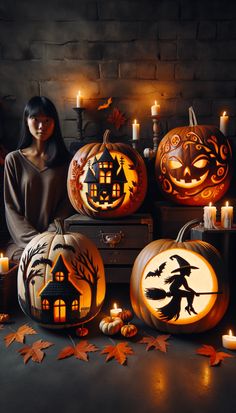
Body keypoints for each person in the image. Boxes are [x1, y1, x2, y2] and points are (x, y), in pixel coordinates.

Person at [4, 96, 74, 261]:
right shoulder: (13, 160)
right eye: (35, 119)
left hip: (55, 239)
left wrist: (48, 238)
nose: (42, 126)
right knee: (27, 259)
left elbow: (66, 206)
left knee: (63, 257)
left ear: (55, 124)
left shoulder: (65, 162)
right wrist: (36, 242)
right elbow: (11, 208)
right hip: (21, 243)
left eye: (47, 120)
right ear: (27, 121)